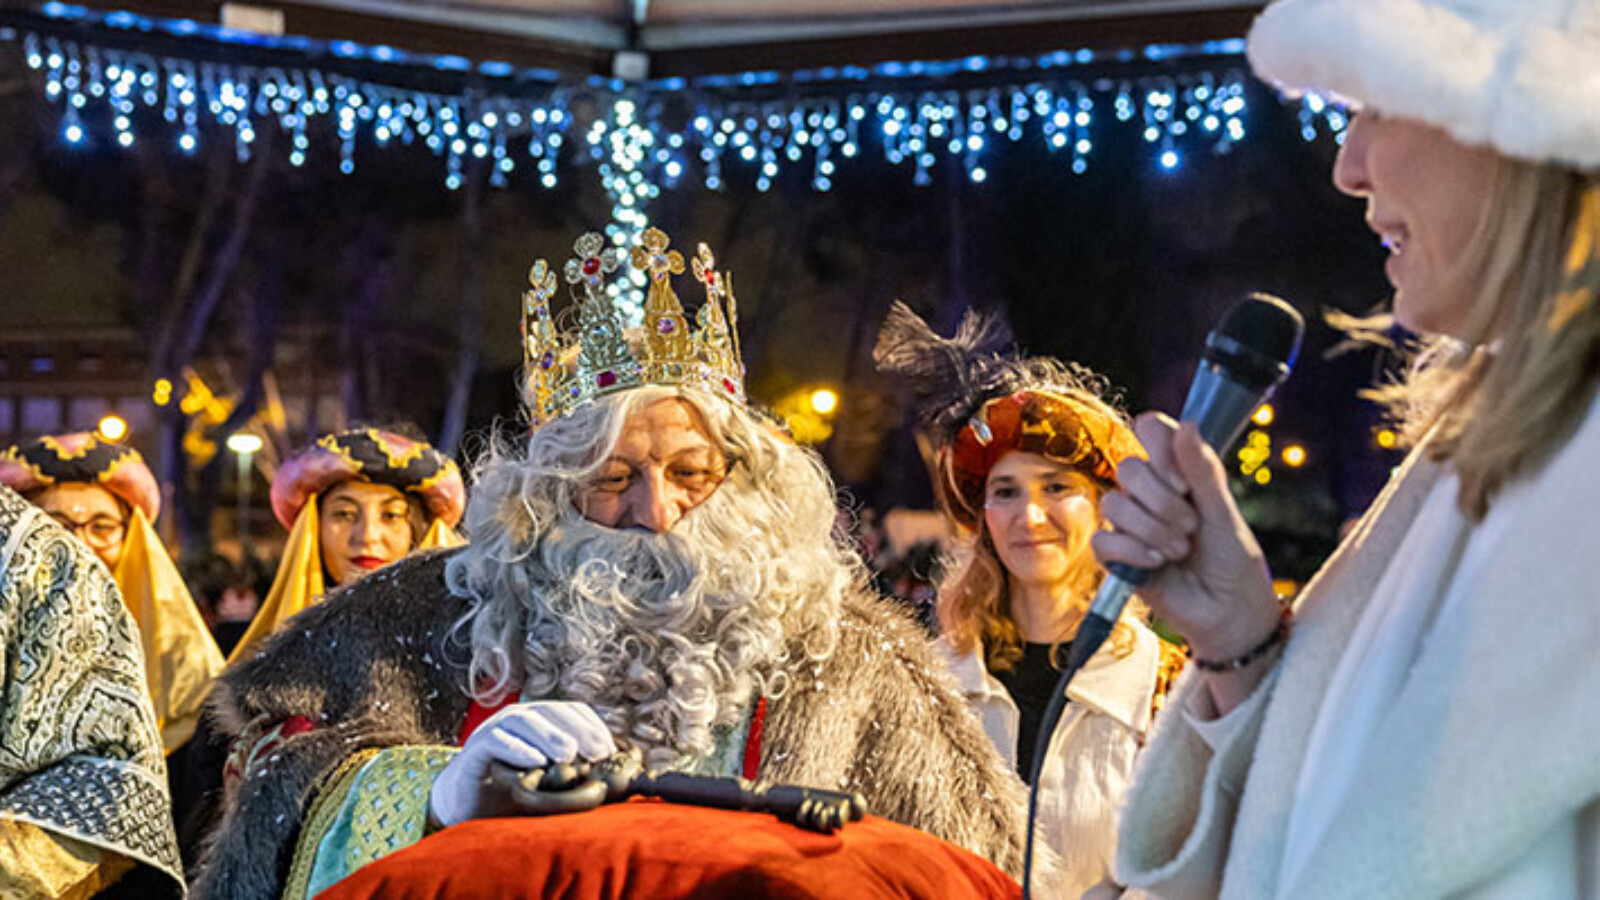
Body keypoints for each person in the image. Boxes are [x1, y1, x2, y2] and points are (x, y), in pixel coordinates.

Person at [189, 229, 1030, 900]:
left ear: (747, 478)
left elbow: (959, 867)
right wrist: (436, 795)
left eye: (691, 473)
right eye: (613, 479)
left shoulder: (856, 662)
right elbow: (270, 788)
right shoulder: (413, 615)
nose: (655, 511)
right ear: (549, 492)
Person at [1097, 0, 1600, 896]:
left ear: (1524, 119)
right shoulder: (1480, 445)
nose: (1347, 169)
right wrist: (1237, 644)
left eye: (1373, 105)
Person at [875, 303, 1184, 894]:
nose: (1029, 516)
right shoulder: (931, 682)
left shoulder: (1164, 687)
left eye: (1057, 487)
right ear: (983, 514)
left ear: (1101, 504)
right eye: (1006, 491)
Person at [0, 484, 184, 898]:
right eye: (62, 523)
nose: (80, 538)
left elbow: (108, 776)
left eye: (101, 526)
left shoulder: (41, 558)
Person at [0, 433, 225, 756]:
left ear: (130, 539)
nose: (79, 545)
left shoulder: (188, 671)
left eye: (102, 527)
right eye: (54, 525)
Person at [226, 425, 466, 661]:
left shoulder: (469, 659)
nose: (367, 536)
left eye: (391, 515)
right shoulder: (254, 674)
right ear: (312, 528)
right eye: (344, 514)